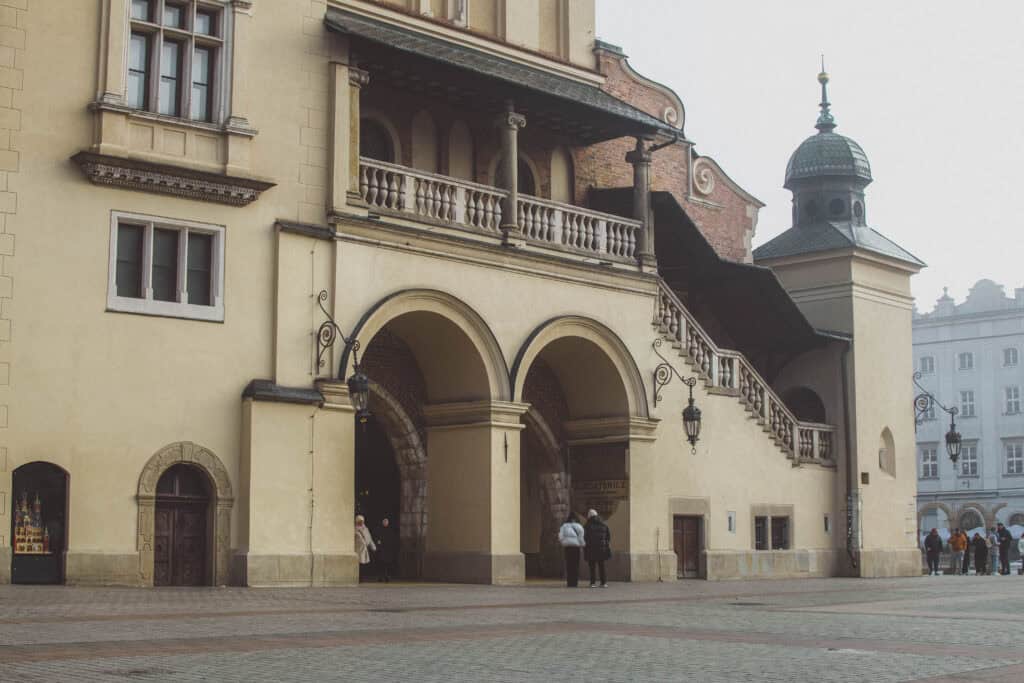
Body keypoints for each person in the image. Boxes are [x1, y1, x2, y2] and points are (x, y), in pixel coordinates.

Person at [583, 509, 611, 588]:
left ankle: (592, 583)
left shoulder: (587, 525)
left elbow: (584, 537)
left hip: (591, 549)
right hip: (602, 549)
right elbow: (608, 537)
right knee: (602, 566)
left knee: (592, 567)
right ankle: (603, 582)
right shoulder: (604, 525)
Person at [558, 512, 586, 587]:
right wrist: (582, 545)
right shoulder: (579, 526)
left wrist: (563, 542)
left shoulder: (564, 526)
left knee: (569, 565)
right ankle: (575, 582)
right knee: (575, 566)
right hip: (576, 548)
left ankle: (569, 582)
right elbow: (581, 537)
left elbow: (560, 536)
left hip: (568, 548)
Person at [375, 516, 398, 583]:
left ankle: (387, 576)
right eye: (384, 522)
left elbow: (393, 539)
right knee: (381, 564)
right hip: (381, 550)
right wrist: (378, 542)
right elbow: (377, 538)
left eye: (386, 522)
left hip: (388, 550)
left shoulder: (390, 530)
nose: (385, 523)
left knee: (387, 564)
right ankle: (380, 577)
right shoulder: (379, 529)